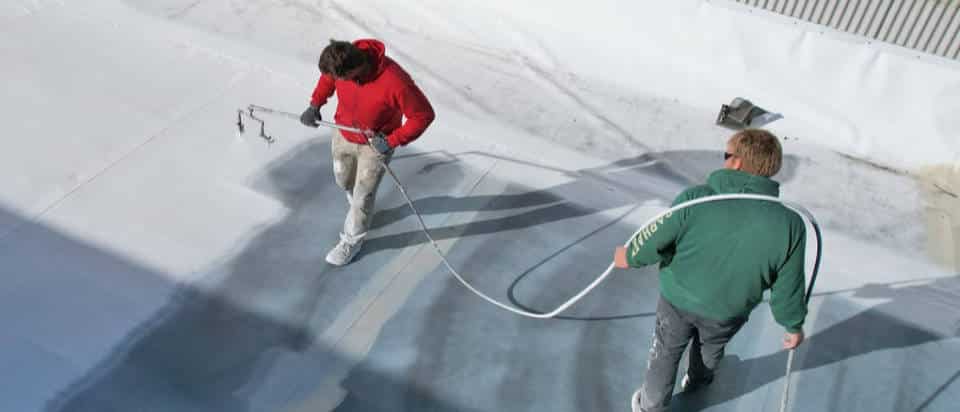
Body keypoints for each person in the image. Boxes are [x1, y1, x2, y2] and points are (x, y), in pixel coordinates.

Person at [613, 129, 808, 412]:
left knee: (665, 352)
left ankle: (651, 405)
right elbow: (789, 284)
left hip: (677, 299)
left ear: (736, 163)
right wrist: (793, 324)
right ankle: (698, 380)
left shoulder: (696, 199)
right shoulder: (790, 225)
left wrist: (630, 255)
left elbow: (657, 237)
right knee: (711, 348)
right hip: (728, 311)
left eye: (726, 155)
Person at [300, 39, 435, 266]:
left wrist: (392, 141)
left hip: (376, 144)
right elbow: (328, 78)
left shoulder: (395, 81)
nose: (339, 82)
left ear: (355, 69)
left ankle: (352, 240)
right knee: (343, 180)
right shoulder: (341, 62)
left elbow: (423, 115)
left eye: (343, 78)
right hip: (343, 132)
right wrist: (315, 104)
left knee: (363, 195)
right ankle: (358, 206)